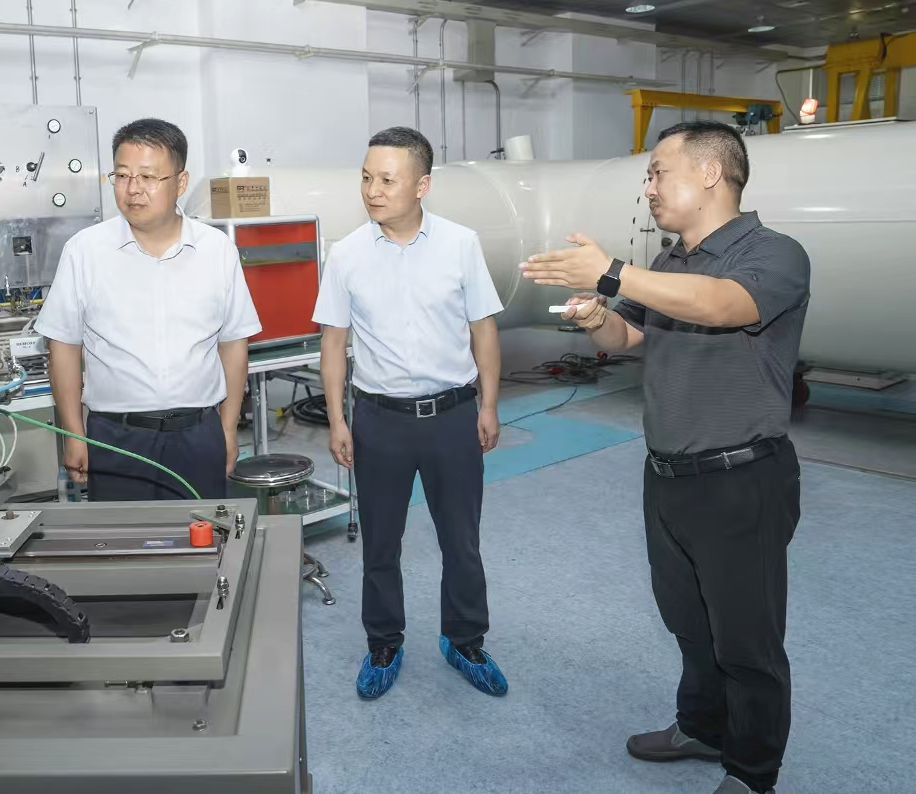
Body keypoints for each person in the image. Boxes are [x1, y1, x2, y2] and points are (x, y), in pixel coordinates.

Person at [520, 121, 809, 794]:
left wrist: (615, 272)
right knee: (688, 622)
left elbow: (724, 305)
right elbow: (628, 335)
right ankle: (703, 727)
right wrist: (596, 315)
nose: (648, 187)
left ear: (710, 173)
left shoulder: (774, 254)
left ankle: (752, 772)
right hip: (669, 476)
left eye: (658, 172)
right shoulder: (671, 262)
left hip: (742, 478)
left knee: (747, 640)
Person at [314, 126, 509, 700]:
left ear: (422, 185)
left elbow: (483, 329)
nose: (372, 191)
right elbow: (333, 342)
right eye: (366, 178)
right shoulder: (346, 254)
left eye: (387, 180)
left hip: (453, 416)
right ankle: (384, 643)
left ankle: (465, 640)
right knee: (381, 542)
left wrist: (489, 404)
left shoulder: (461, 244)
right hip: (380, 420)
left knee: (461, 540)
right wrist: (338, 419)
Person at [35, 118, 261, 501]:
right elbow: (64, 346)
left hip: (198, 435)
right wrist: (74, 434)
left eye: (148, 177)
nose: (133, 189)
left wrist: (227, 428)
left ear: (181, 183)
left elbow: (234, 344)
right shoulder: (85, 251)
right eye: (122, 176)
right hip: (116, 439)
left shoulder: (216, 250)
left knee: (203, 537)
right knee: (123, 538)